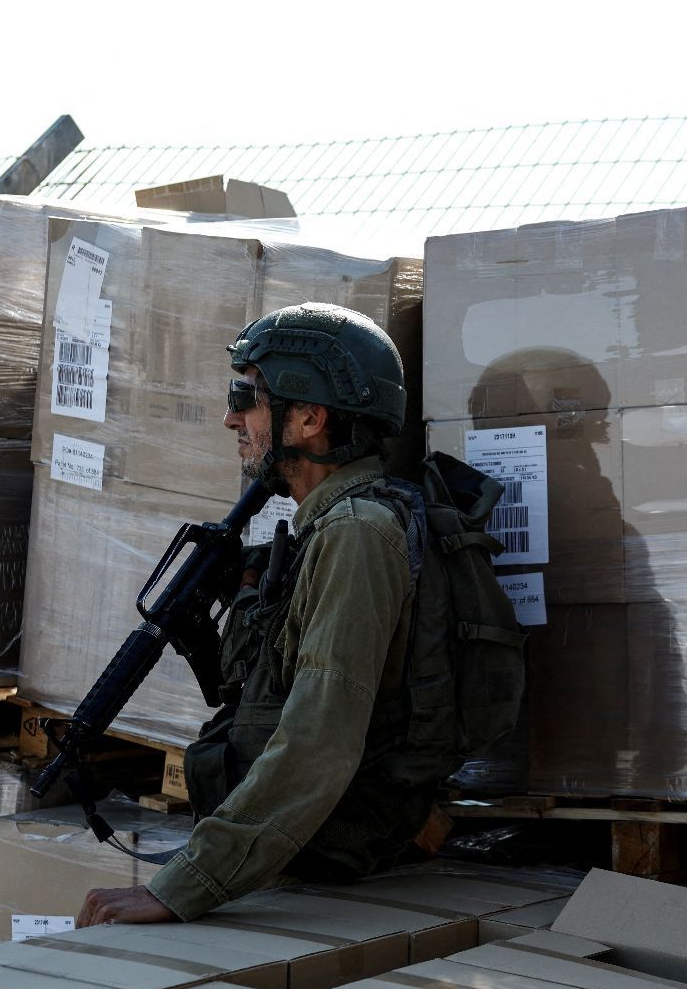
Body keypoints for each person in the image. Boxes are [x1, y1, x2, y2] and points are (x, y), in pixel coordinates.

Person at [75, 302, 452, 926]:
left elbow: (321, 735)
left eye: (245, 399)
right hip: (304, 846)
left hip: (330, 851)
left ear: (308, 417)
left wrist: (187, 884)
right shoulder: (325, 527)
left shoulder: (357, 535)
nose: (230, 419)